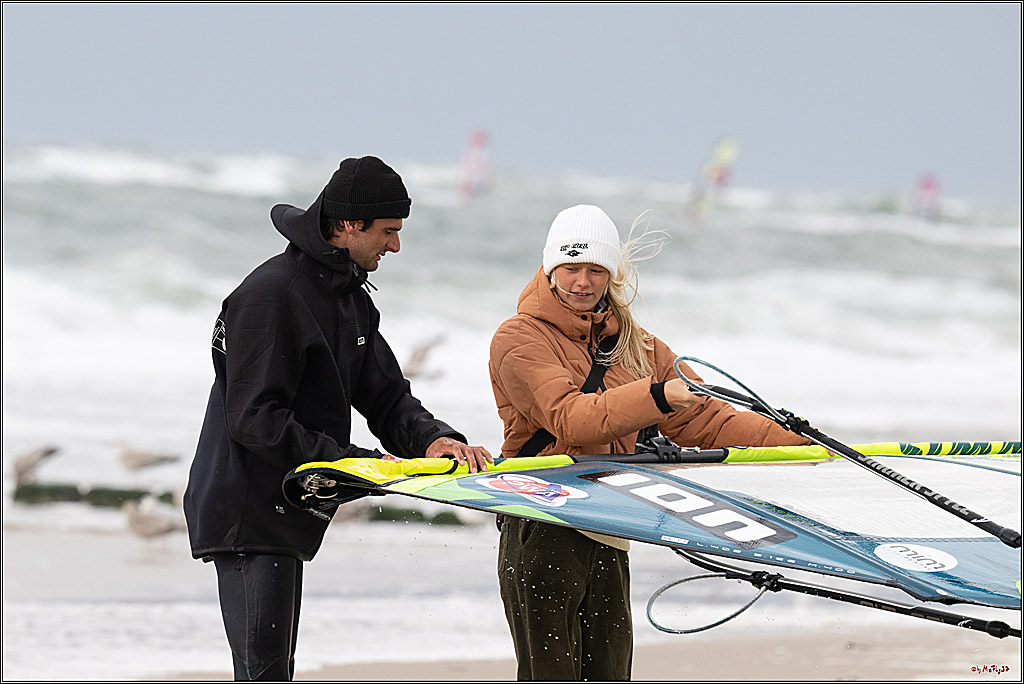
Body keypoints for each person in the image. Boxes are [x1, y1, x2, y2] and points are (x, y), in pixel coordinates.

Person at [183, 155, 492, 681]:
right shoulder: (271, 295)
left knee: (272, 672)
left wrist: (436, 440)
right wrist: (351, 464)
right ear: (349, 225)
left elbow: (386, 396)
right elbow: (254, 419)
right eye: (389, 231)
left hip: (286, 503)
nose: (395, 245)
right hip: (246, 508)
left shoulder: (346, 296)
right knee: (263, 674)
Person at [488, 204, 809, 681]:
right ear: (550, 269)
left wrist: (799, 446)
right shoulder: (518, 338)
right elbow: (572, 419)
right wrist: (657, 395)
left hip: (612, 526)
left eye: (595, 269)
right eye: (570, 267)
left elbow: (709, 418)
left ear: (611, 273)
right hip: (543, 526)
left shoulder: (639, 346)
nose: (582, 281)